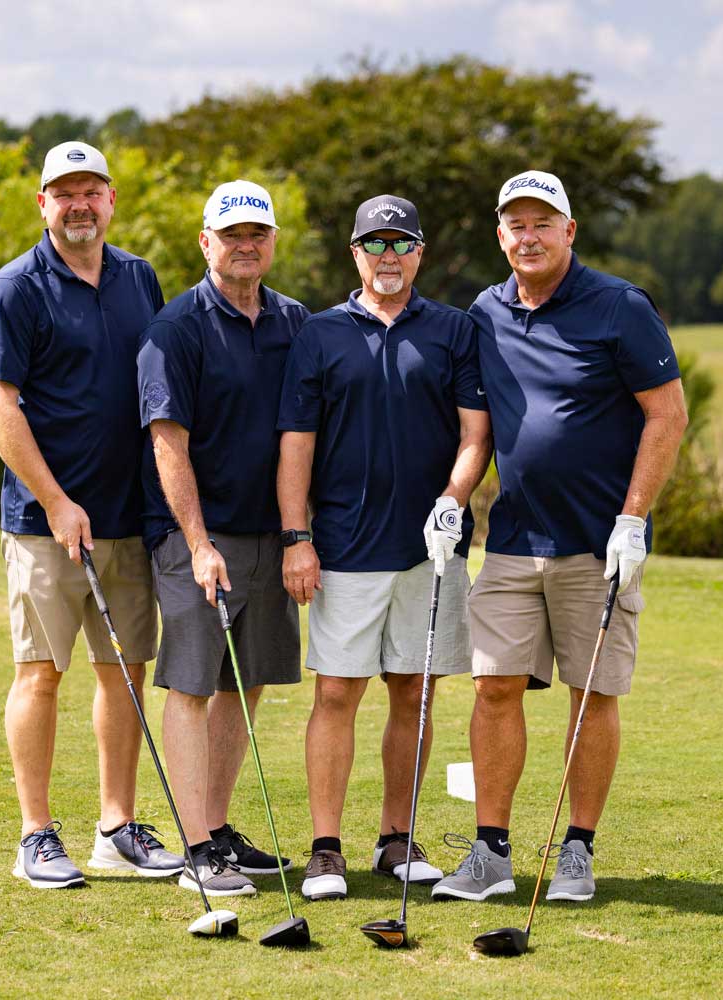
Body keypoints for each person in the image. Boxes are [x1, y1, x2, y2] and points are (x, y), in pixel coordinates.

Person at [432, 170, 688, 903]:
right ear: (500, 235)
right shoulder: (486, 313)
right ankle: (490, 853)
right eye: (516, 224)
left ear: (569, 231)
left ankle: (578, 848)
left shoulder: (620, 306)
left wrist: (633, 520)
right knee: (493, 686)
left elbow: (667, 415)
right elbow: (479, 429)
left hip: (599, 545)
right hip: (515, 538)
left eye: (543, 223)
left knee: (592, 692)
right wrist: (453, 498)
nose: (529, 236)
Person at [0, 141, 184, 889]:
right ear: (43, 205)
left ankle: (116, 829)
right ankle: (35, 835)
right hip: (46, 525)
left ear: (111, 199)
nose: (79, 205)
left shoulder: (139, 277)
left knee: (124, 672)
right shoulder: (14, 289)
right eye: (64, 193)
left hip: (129, 516)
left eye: (91, 190)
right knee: (40, 674)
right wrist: (57, 502)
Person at [277, 195, 492, 901]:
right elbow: (297, 444)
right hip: (343, 546)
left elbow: (476, 434)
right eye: (376, 244)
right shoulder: (320, 333)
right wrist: (297, 536)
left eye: (401, 244)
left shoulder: (454, 331)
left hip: (430, 551)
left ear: (420, 253)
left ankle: (396, 838)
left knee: (415, 691)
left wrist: (453, 500)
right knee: (337, 691)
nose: (389, 256)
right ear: (356, 254)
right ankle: (325, 850)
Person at [137, 180, 310, 897]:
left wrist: (299, 532)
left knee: (248, 680)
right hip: (196, 539)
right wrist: (199, 542)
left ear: (272, 242)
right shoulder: (176, 328)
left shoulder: (295, 321)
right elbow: (167, 443)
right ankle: (196, 849)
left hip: (271, 533)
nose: (245, 245)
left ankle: (217, 826)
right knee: (191, 683)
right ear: (205, 241)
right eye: (231, 234)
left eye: (257, 234)